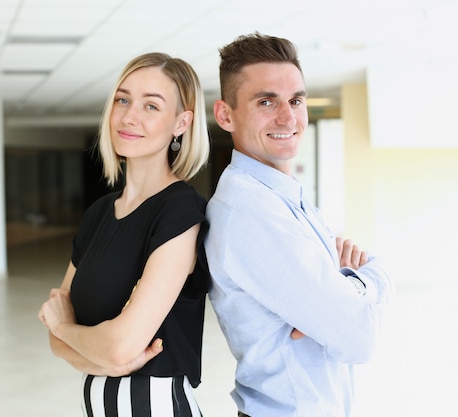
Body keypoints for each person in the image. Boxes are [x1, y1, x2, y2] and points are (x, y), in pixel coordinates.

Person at [205, 32, 392, 417]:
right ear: (225, 114)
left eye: (296, 100)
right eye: (266, 101)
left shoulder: (283, 195)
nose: (288, 117)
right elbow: (358, 338)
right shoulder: (249, 211)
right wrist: (360, 283)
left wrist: (343, 292)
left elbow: (352, 313)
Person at [39, 52, 211, 416]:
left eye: (152, 106)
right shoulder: (98, 214)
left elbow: (114, 344)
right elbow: (56, 340)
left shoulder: (179, 210)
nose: (129, 116)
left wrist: (68, 329)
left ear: (181, 122)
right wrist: (100, 358)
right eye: (123, 99)